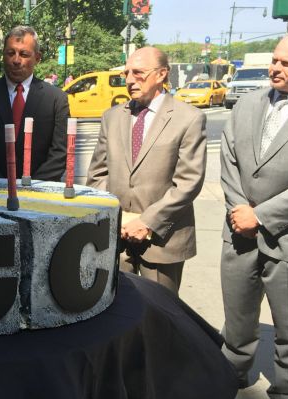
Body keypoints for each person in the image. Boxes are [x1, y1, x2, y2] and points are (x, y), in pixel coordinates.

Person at [220, 33, 288, 399]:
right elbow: (229, 158)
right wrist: (240, 209)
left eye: (287, 64)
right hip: (238, 230)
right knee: (237, 315)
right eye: (275, 60)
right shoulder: (248, 103)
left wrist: (263, 216)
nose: (275, 68)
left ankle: (287, 393)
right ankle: (232, 369)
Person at [86, 46, 206, 294]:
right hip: (116, 239)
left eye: (138, 73)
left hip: (163, 242)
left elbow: (188, 183)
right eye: (126, 73)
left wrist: (148, 222)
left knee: (159, 319)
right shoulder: (112, 117)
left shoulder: (188, 118)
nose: (130, 80)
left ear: (162, 74)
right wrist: (113, 218)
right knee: (116, 316)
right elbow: (97, 175)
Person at [0, 26, 69, 181]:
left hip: (39, 192)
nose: (16, 60)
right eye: (10, 53)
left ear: (37, 58)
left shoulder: (56, 99)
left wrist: (33, 188)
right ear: (3, 55)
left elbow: (60, 153)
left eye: (24, 54)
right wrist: (0, 184)